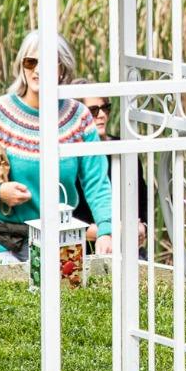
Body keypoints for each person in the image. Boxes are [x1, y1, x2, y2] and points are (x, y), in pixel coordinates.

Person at [0, 31, 115, 265]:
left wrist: (106, 230)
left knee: (69, 295)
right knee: (10, 297)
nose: (38, 69)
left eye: (48, 62)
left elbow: (97, 182)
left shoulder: (78, 117)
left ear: (62, 68)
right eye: (31, 61)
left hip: (55, 236)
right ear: (22, 66)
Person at [70, 92, 149, 256]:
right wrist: (111, 231)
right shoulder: (70, 158)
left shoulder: (125, 148)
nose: (101, 115)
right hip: (83, 248)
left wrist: (142, 226)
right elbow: (68, 218)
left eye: (105, 108)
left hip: (127, 246)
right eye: (93, 110)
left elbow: (142, 200)